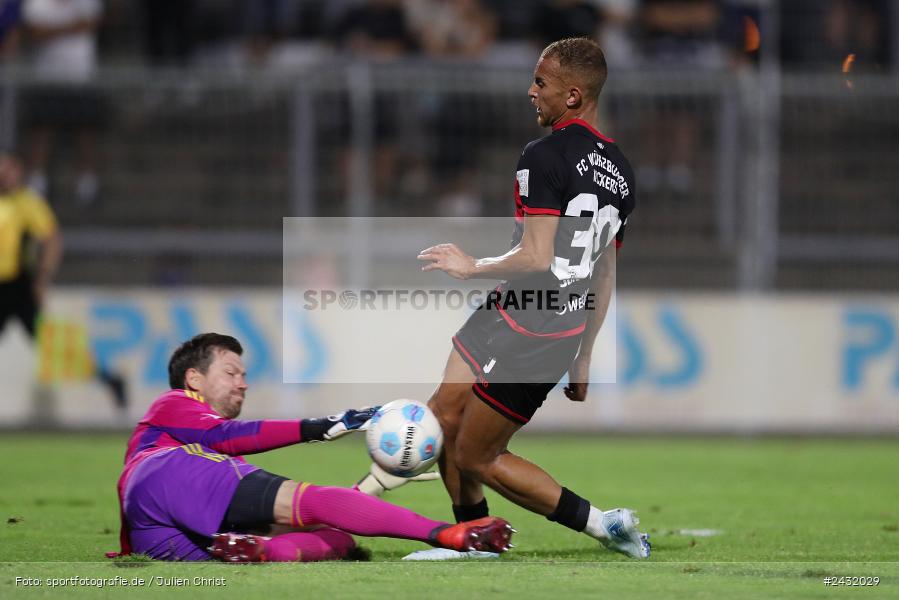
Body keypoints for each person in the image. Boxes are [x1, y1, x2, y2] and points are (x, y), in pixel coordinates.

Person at [415, 37, 649, 559]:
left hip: (538, 331)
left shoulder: (542, 156)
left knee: (477, 455)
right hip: (522, 311)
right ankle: (472, 539)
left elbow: (538, 256)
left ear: (571, 95)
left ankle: (602, 524)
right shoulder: (623, 172)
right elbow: (605, 273)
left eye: (540, 83)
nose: (531, 91)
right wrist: (585, 354)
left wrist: (470, 265)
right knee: (444, 415)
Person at [112, 332, 514, 562]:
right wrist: (321, 426)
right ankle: (451, 534)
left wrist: (374, 483)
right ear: (194, 379)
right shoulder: (173, 405)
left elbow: (332, 515)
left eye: (245, 374)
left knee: (338, 539)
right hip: (162, 476)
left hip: (154, 533)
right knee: (310, 500)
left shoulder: (191, 444)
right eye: (231, 372)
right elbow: (229, 437)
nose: (243, 383)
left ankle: (261, 552)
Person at [0, 150, 126, 413]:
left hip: (18, 288)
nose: (5, 175)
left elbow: (52, 240)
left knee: (55, 347)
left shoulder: (28, 203)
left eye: (9, 169)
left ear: (19, 172)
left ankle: (110, 379)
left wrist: (42, 278)